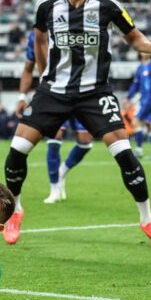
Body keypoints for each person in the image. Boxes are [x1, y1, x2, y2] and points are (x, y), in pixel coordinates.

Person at [3, 0, 151, 249]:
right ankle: (15, 211)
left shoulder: (107, 5)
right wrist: (44, 77)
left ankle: (147, 220)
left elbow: (134, 37)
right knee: (17, 151)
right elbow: (39, 40)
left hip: (95, 92)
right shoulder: (46, 5)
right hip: (54, 91)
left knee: (124, 154)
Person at [16, 31, 93, 205]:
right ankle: (54, 189)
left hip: (79, 92)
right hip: (53, 95)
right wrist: (22, 96)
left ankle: (61, 173)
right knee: (54, 138)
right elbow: (28, 67)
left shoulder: (72, 27)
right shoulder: (35, 36)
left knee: (85, 142)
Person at [124, 52, 151, 160]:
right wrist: (128, 98)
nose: (144, 52)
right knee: (150, 124)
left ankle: (138, 150)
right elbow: (135, 85)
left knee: (135, 121)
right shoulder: (140, 68)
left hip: (150, 100)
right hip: (143, 100)